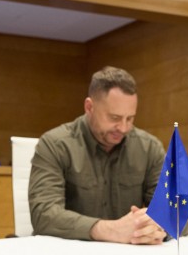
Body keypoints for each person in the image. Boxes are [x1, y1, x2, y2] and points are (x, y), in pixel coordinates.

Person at [29, 66, 169, 244]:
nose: (124, 128)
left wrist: (155, 226)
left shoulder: (150, 148)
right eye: (115, 118)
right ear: (89, 107)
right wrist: (108, 230)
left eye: (130, 118)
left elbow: (179, 210)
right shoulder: (54, 145)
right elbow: (43, 214)